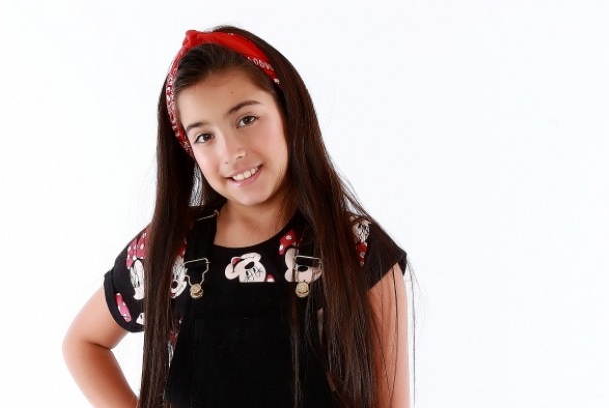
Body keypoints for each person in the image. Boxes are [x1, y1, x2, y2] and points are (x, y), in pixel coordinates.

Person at [63, 25, 410, 408]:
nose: (231, 152)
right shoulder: (171, 248)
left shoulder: (357, 249)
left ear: (287, 110)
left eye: (246, 119)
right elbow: (84, 342)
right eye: (204, 136)